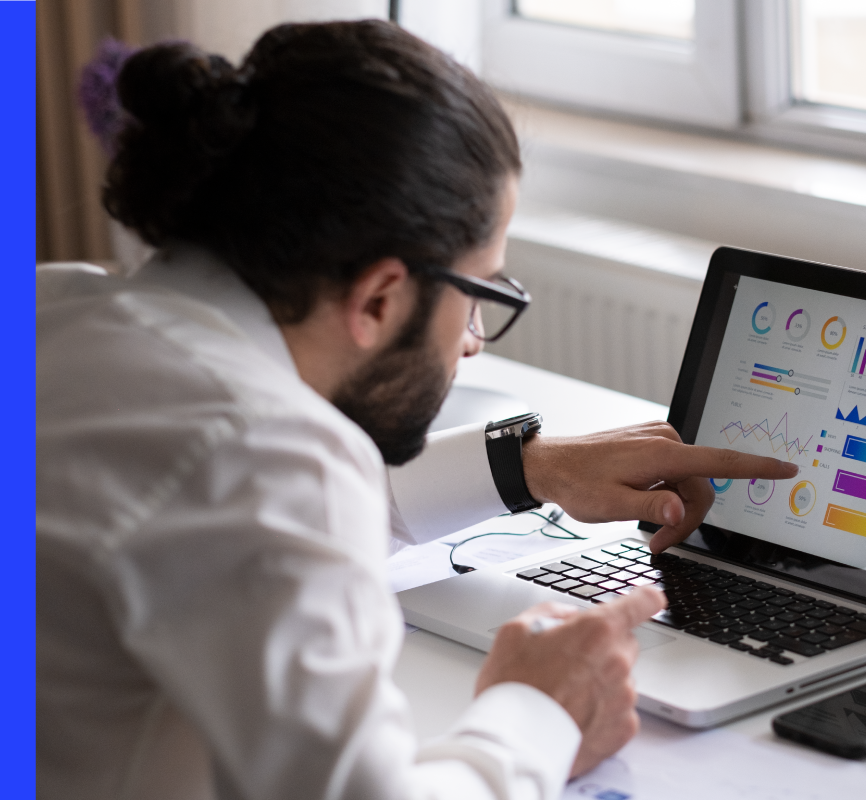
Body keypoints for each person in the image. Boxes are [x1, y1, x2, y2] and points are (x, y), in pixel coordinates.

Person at [36, 20, 796, 800]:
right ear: (380, 296)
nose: (472, 344)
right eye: (480, 294)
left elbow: (224, 522)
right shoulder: (257, 457)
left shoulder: (50, 305)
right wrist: (539, 710)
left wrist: (525, 467)